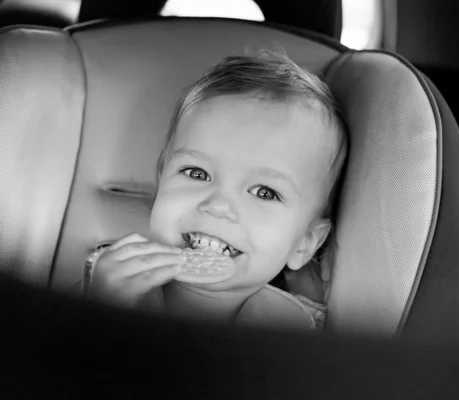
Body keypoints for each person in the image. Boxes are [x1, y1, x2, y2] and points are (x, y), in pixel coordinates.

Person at [84, 51, 348, 330]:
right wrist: (100, 316)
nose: (218, 204)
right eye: (197, 173)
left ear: (304, 243)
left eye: (265, 192)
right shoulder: (105, 290)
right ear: (161, 182)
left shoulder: (296, 332)